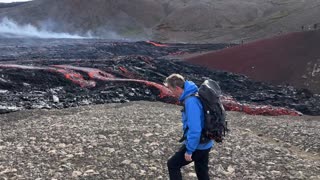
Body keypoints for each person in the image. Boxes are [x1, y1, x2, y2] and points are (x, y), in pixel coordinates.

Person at [164, 74, 214, 180]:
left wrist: (189, 150)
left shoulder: (191, 102)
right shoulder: (195, 93)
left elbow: (195, 129)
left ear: (177, 88)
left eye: (171, 89)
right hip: (207, 142)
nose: (171, 93)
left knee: (173, 165)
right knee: (202, 170)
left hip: (198, 144)